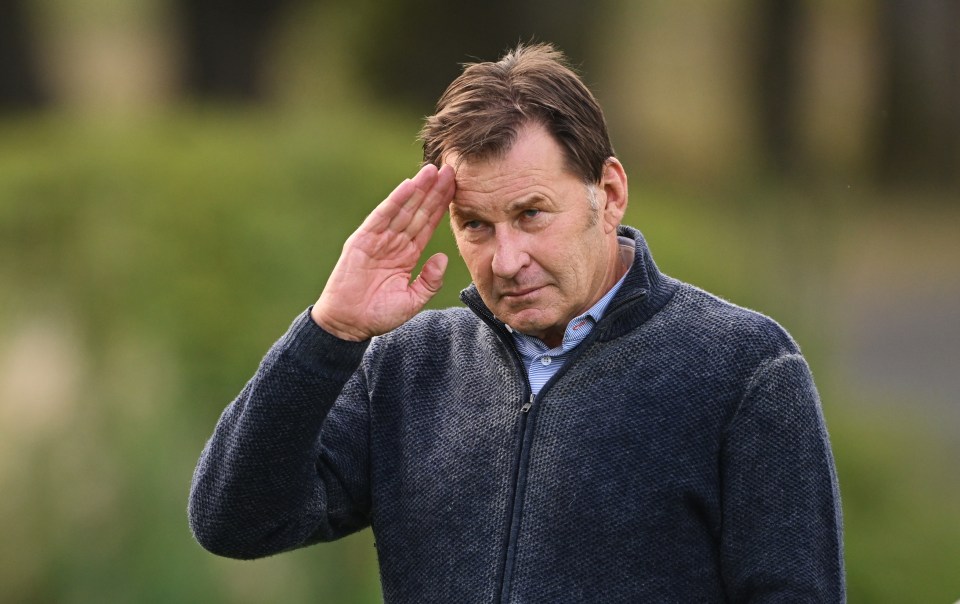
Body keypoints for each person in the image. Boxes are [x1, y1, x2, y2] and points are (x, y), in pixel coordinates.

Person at [188, 43, 845, 602]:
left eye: (531, 214)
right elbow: (233, 519)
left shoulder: (743, 368)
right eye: (475, 224)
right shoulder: (406, 367)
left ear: (609, 193)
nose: (505, 260)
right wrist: (330, 330)